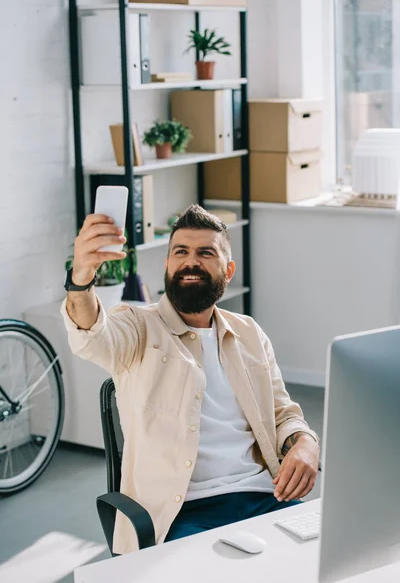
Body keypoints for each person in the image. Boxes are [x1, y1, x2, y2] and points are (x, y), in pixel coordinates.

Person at [62, 204, 320, 555]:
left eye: (205, 253)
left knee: (319, 570)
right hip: (181, 513)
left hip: (264, 497)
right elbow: (91, 332)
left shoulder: (249, 333)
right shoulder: (137, 325)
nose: (190, 261)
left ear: (228, 271)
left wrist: (305, 442)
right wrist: (81, 277)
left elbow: (283, 414)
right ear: (167, 265)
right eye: (180, 252)